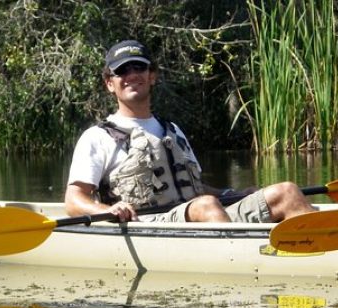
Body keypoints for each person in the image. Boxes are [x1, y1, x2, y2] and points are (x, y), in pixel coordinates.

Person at [65, 39, 315, 223]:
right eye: (122, 71)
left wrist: (234, 193)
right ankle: (241, 261)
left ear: (152, 76)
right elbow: (74, 201)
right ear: (110, 83)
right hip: (148, 225)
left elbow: (195, 189)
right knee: (205, 207)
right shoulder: (97, 138)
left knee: (287, 192)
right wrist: (107, 211)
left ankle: (325, 247)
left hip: (200, 214)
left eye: (138, 68)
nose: (131, 75)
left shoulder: (172, 131)